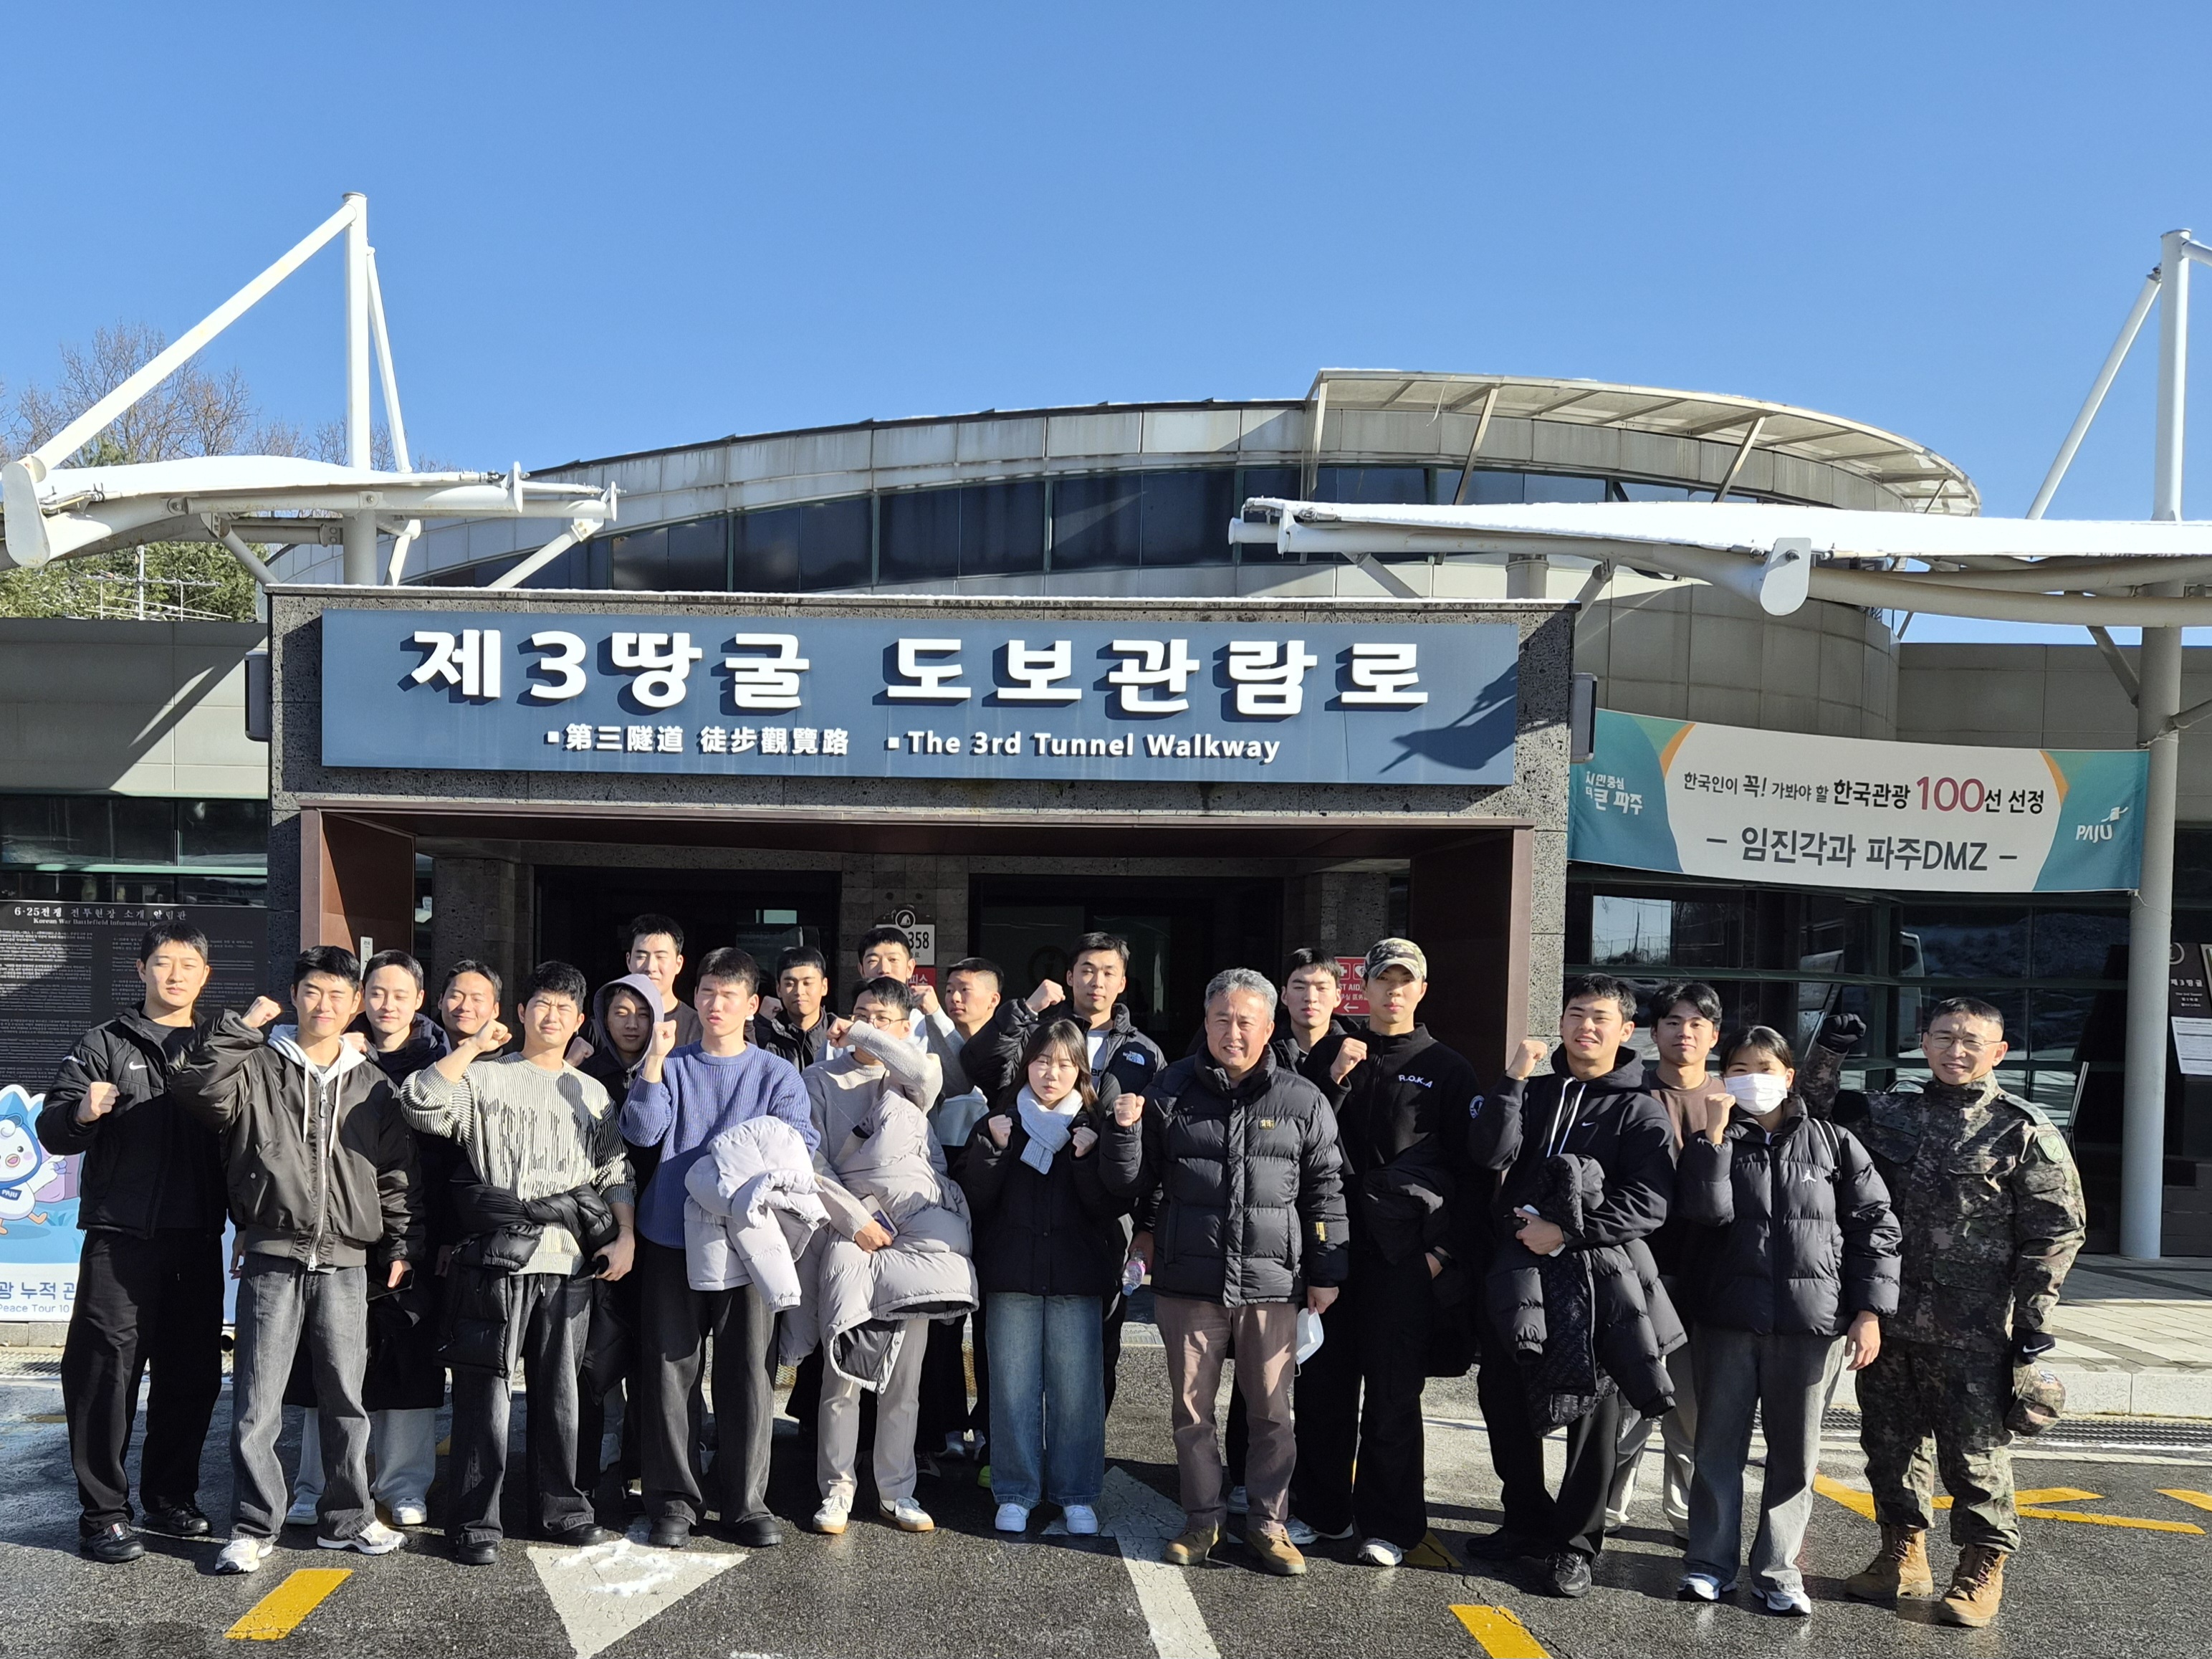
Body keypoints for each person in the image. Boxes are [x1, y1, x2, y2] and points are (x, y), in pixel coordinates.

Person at [1807, 1001, 2087, 1630]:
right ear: (1923, 1041)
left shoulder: (2020, 1129)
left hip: (1975, 1327)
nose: (1954, 1051)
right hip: (1888, 1316)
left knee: (1974, 1455)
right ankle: (1900, 1553)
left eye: (1970, 1041)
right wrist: (1828, 1050)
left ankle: (1980, 1568)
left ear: (1998, 1051)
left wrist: (2034, 1320)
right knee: (1888, 1444)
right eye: (1943, 1037)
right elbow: (1810, 1111)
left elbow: (2055, 1231)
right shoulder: (1891, 1111)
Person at [171, 947, 421, 1575]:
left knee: (345, 1397)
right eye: (312, 991)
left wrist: (397, 1242)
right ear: (294, 994)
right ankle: (253, 1525)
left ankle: (348, 1518)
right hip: (272, 1253)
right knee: (258, 1400)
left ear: (355, 1003)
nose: (323, 1004)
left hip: (346, 1259)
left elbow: (395, 1173)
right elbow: (195, 1087)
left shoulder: (372, 1083)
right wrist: (244, 1025)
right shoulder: (258, 1064)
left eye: (338, 994)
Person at [1101, 967, 1348, 1578]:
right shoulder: (1168, 1089)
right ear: (1205, 1022)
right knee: (1192, 1413)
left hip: (1272, 1283)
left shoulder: (1301, 1099)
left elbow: (1325, 1192)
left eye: (1245, 1021)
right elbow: (1134, 1183)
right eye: (1221, 1019)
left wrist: (1327, 1268)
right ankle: (1201, 1519)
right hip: (1188, 1279)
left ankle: (1268, 1524)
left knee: (1271, 1413)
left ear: (1268, 1027)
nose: (1232, 1032)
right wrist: (1123, 1131)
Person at [404, 960, 636, 1563]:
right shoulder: (484, 1076)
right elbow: (420, 1103)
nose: (552, 1015)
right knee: (484, 1393)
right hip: (496, 1259)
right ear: (522, 1011)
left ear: (579, 1020)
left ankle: (563, 1510)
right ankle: (474, 1521)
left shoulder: (591, 1092)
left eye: (564, 1007)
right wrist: (473, 1046)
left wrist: (625, 1235)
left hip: (568, 1261)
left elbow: (614, 1170)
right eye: (542, 1003)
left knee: (562, 1394)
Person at [1675, 1025, 1900, 1615]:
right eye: (1739, 1068)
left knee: (1795, 1456)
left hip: (1811, 1324)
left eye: (1765, 1068)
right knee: (1715, 1448)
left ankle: (1777, 1571)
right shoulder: (1710, 1141)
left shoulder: (1833, 1143)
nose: (1754, 1079)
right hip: (1727, 1319)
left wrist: (1869, 1311)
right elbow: (1704, 1214)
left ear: (1789, 1076)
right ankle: (1707, 1564)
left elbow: (1875, 1227)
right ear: (1723, 1077)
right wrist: (1714, 1139)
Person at [1467, 973, 1677, 1599]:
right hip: (1517, 1273)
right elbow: (1488, 1154)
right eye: (1575, 1013)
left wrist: (1563, 1232)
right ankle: (1524, 1520)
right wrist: (1512, 1079)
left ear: (1625, 1030)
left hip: (1595, 1279)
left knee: (1593, 1413)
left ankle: (1576, 1543)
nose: (1585, 1026)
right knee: (1501, 1395)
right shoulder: (1535, 1091)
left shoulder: (1639, 1106)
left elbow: (1649, 1202)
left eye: (1599, 1017)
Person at [37, 922, 226, 1564]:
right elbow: (54, 1128)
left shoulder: (219, 1045)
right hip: (119, 1238)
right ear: (141, 969)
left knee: (191, 1375)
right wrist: (83, 1111)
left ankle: (171, 1495)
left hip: (196, 1236)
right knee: (104, 1375)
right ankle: (104, 1514)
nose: (175, 974)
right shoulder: (104, 1043)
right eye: (163, 962)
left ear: (205, 975)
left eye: (188, 964)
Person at [1296, 938, 1483, 1567]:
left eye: (1405, 981)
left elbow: (1473, 1173)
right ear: (1365, 988)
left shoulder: (1448, 1067)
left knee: (1392, 1395)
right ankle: (1320, 1510)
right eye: (1382, 980)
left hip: (1404, 1256)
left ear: (1421, 990)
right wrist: (1331, 1078)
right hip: (1330, 1248)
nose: (1392, 991)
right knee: (1322, 1387)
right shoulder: (1329, 1052)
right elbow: (1300, 1138)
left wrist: (1442, 1253)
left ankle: (1389, 1525)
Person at [621, 946, 814, 1549]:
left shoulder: (775, 1073)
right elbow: (641, 1132)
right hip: (669, 1235)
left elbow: (799, 1144)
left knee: (748, 1373)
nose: (715, 1004)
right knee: (669, 1369)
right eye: (706, 992)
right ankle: (673, 1501)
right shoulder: (673, 1063)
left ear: (752, 1004)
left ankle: (745, 1502)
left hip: (748, 1242)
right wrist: (654, 1063)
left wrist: (734, 1168)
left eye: (729, 994)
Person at [965, 932, 1167, 1420]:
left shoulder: (1143, 1053)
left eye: (1108, 972)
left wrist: (1148, 1226)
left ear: (1123, 981)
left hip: (1100, 1215)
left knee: (1095, 1348)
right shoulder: (1037, 1032)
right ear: (1070, 975)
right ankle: (999, 1444)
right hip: (1022, 1212)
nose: (1096, 981)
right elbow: (977, 1063)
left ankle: (1081, 1447)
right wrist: (1024, 1009)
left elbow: (1158, 1148)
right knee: (1008, 1353)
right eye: (1087, 970)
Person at [288, 950, 451, 1530]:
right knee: (327, 1361)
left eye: (400, 994)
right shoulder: (330, 1051)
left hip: (416, 1229)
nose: (387, 1005)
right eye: (377, 992)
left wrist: (419, 1239)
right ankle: (318, 1484)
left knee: (407, 1359)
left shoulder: (442, 1060)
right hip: (336, 1230)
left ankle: (404, 1483)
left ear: (419, 1000)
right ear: (362, 997)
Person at [798, 977, 964, 1536]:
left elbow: (921, 1069)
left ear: (901, 1028)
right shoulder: (817, 1080)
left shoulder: (911, 1080)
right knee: (841, 1373)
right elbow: (810, 1163)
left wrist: (864, 1032)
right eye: (859, 1012)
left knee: (904, 1378)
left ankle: (897, 1490)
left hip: (911, 1237)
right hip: (848, 1231)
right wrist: (857, 1220)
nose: (864, 1025)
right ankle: (836, 1489)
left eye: (879, 1018)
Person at [957, 1018, 1127, 1536]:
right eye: (1042, 1061)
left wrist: (1087, 1158)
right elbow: (973, 1198)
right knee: (1012, 1389)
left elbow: (1110, 1205)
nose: (1051, 1073)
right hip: (1010, 1276)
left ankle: (1076, 1493)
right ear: (1026, 1065)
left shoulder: (1093, 1125)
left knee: (1077, 1392)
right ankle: (1015, 1491)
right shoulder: (999, 1121)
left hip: (1077, 1278)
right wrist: (992, 1148)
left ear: (1081, 1071)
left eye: (1064, 1064)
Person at [1607, 981, 1722, 1543]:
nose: (1684, 1032)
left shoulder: (1731, 1099)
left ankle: (1685, 1520)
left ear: (1714, 1035)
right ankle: (1604, 1511)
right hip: (1633, 1271)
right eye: (1673, 1022)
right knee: (1625, 1403)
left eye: (1697, 1023)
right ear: (1652, 1033)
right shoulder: (1630, 1094)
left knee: (1691, 1413)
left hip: (1705, 1278)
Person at [917, 955, 1004, 1460]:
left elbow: (975, 1076)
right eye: (949, 987)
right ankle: (945, 1423)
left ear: (994, 999)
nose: (953, 997)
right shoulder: (927, 1039)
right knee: (942, 1315)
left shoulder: (1010, 1048)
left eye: (965, 989)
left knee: (993, 1318)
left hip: (993, 1188)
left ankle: (989, 1425)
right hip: (940, 1183)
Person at [614, 914, 702, 1048]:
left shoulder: (699, 1028)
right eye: (641, 956)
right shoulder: (603, 1026)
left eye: (661, 957)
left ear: (678, 964)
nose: (650, 967)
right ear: (628, 961)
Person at [757, 947, 834, 1071]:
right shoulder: (764, 1035)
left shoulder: (840, 1036)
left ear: (824, 986)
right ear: (778, 989)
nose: (799, 991)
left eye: (807, 983)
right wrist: (760, 1024)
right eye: (790, 984)